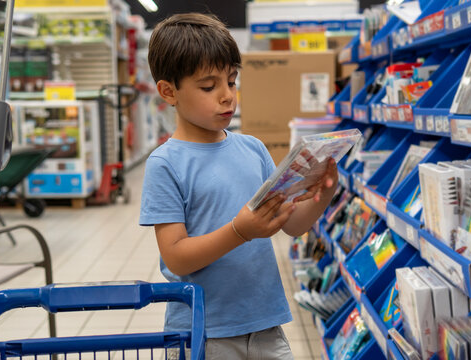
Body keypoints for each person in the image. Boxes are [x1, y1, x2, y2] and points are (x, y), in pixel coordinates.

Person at [139, 12, 338, 360]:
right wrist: (240, 231)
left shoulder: (253, 148)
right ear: (169, 91)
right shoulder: (165, 163)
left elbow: (292, 224)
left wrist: (324, 193)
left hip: (265, 324)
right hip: (201, 332)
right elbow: (176, 256)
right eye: (208, 86)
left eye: (232, 81)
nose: (227, 96)